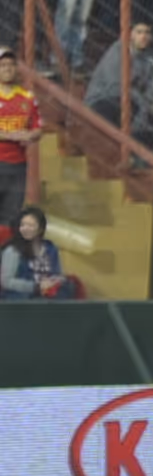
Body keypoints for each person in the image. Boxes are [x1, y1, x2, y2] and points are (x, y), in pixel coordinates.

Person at [2, 207, 80, 299]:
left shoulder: (51, 248)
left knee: (69, 287)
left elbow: (57, 273)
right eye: (22, 225)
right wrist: (36, 287)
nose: (26, 229)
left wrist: (55, 281)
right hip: (24, 296)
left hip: (48, 293)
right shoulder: (12, 250)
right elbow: (6, 281)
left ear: (40, 228)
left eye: (31, 225)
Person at [0, 47, 39, 227]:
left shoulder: (27, 97)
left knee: (12, 217)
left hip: (18, 165)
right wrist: (12, 136)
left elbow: (37, 127)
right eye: (3, 65)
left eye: (11, 65)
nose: (7, 69)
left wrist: (30, 135)